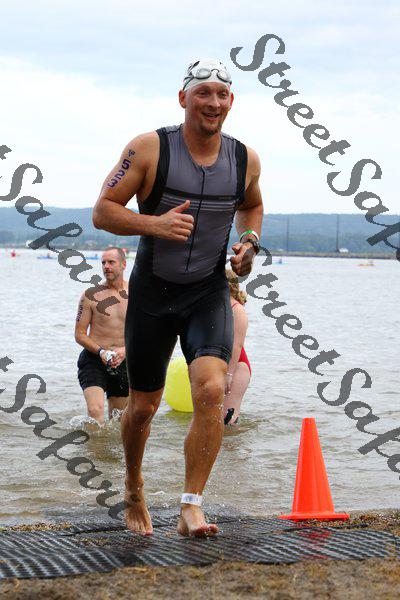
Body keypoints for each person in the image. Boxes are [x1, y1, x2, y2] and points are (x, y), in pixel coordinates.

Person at [93, 58, 264, 537]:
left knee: (210, 389)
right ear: (183, 98)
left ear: (231, 102)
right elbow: (102, 211)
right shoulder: (150, 148)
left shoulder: (245, 159)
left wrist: (250, 244)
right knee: (142, 407)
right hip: (153, 292)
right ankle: (134, 486)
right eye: (203, 92)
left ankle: (191, 507)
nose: (213, 102)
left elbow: (252, 205)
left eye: (222, 94)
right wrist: (155, 224)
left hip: (207, 291)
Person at [75, 247, 129, 425]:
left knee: (118, 419)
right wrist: (101, 352)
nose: (106, 266)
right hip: (94, 359)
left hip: (123, 361)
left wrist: (125, 351)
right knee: (95, 411)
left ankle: (110, 445)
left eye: (111, 262)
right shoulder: (90, 295)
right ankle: (93, 444)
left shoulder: (137, 294)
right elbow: (79, 334)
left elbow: (146, 332)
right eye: (103, 263)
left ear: (123, 264)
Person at [223, 269, 251, 426]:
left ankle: (236, 442)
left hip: (237, 367)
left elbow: (237, 345)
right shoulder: (214, 307)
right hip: (220, 365)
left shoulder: (237, 310)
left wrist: (229, 374)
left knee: (227, 421)